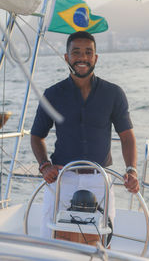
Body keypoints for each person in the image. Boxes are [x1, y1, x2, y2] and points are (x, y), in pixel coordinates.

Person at [31, 31, 139, 239]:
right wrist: (44, 165)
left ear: (95, 57)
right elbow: (36, 136)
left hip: (99, 181)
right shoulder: (52, 94)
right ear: (67, 57)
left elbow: (127, 137)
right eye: (76, 52)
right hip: (61, 180)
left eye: (88, 52)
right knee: (51, 239)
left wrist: (131, 171)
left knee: (100, 243)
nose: (82, 58)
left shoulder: (113, 93)